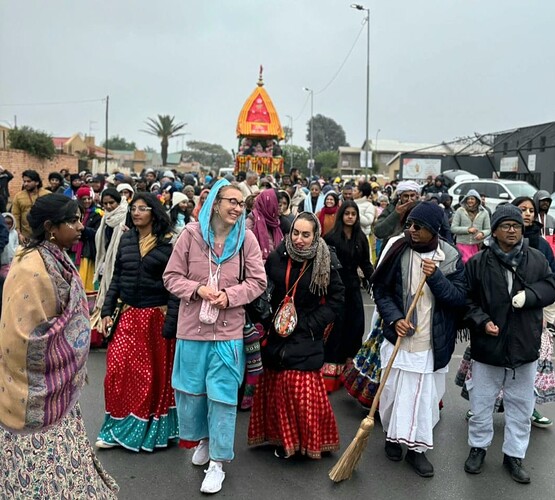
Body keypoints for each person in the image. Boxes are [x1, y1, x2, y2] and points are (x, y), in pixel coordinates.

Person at [0, 194, 118, 498]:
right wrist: (69, 346)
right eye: (73, 220)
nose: (80, 226)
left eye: (80, 218)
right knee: (33, 471)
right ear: (51, 227)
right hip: (33, 394)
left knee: (68, 464)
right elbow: (21, 338)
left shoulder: (57, 257)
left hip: (59, 395)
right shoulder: (30, 267)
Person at [163, 179, 266, 494]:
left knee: (222, 398)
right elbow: (171, 277)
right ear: (215, 203)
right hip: (192, 331)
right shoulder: (190, 236)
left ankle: (218, 464)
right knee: (191, 395)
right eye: (231, 200)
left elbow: (258, 281)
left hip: (227, 334)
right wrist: (197, 289)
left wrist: (230, 295)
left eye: (241, 202)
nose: (237, 207)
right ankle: (204, 441)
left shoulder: (246, 239)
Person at [372, 201, 466, 477]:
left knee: (423, 399)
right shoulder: (396, 248)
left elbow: (458, 299)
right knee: (390, 394)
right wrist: (394, 319)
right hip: (398, 339)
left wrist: (436, 276)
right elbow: (381, 290)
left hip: (430, 343)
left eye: (418, 227)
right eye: (410, 224)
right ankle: (392, 437)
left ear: (434, 230)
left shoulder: (448, 257)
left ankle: (417, 450)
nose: (411, 230)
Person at [463, 205, 555, 483]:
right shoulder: (478, 263)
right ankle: (477, 448)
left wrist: (530, 296)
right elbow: (466, 301)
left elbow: (551, 286)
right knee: (481, 404)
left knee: (521, 407)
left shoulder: (537, 259)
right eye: (506, 225)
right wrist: (481, 322)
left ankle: (514, 456)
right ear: (494, 230)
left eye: (516, 225)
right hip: (488, 348)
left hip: (524, 347)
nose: (513, 230)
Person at [248, 212, 345, 460]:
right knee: (275, 383)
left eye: (305, 234)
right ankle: (280, 438)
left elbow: (336, 301)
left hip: (305, 333)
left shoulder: (326, 260)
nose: (299, 239)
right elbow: (263, 288)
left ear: (315, 236)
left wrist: (309, 324)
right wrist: (268, 317)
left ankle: (306, 442)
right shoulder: (278, 257)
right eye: (295, 233)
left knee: (296, 384)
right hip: (276, 332)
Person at [96, 193, 179, 452]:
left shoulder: (168, 243)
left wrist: (171, 323)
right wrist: (107, 310)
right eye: (133, 208)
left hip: (156, 318)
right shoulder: (127, 239)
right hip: (128, 315)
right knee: (117, 371)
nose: (136, 213)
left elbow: (175, 287)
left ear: (154, 212)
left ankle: (145, 430)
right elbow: (117, 278)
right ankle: (115, 427)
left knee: (148, 378)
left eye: (142, 208)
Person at [323, 201, 373, 392]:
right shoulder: (331, 238)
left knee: (356, 326)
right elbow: (323, 265)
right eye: (347, 213)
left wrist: (376, 280)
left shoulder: (361, 238)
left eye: (354, 214)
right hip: (335, 289)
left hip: (353, 288)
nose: (350, 216)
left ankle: (350, 374)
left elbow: (366, 264)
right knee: (336, 329)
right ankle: (330, 376)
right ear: (341, 215)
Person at [92, 189, 128, 327]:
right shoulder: (105, 218)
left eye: (111, 203)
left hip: (121, 262)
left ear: (118, 202)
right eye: (105, 203)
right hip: (106, 262)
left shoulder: (127, 215)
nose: (108, 206)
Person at [72, 186, 103, 291]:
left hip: (87, 252)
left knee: (86, 282)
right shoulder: (74, 212)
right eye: (83, 199)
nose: (87, 201)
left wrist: (83, 229)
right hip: (73, 251)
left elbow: (97, 234)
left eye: (89, 198)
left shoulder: (97, 214)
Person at [374, 180, 420, 250]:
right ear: (400, 197)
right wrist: (396, 214)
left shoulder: (421, 210)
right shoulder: (391, 208)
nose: (409, 200)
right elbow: (378, 232)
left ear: (416, 196)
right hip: (391, 249)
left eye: (412, 196)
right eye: (406, 196)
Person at [450, 189, 491, 264]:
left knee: (475, 266)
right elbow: (453, 228)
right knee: (463, 265)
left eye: (472, 199)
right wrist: (467, 230)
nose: (470, 201)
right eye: (468, 199)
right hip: (462, 244)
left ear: (477, 200)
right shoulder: (460, 211)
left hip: (477, 245)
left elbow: (488, 229)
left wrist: (482, 234)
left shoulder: (484, 212)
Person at [11, 169, 50, 244]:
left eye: (29, 181)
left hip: (45, 234)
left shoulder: (47, 194)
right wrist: (19, 234)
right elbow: (15, 215)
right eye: (24, 181)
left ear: (37, 182)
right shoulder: (18, 196)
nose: (25, 184)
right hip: (26, 236)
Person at [246, 188, 284, 262]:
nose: (280, 209)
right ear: (269, 205)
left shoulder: (275, 224)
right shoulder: (250, 224)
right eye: (277, 206)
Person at [0, 212, 18, 278]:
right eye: (6, 223)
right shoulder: (1, 233)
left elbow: (16, 244)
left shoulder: (14, 233)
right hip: (2, 261)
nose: (8, 226)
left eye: (9, 223)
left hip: (11, 261)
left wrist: (14, 252)